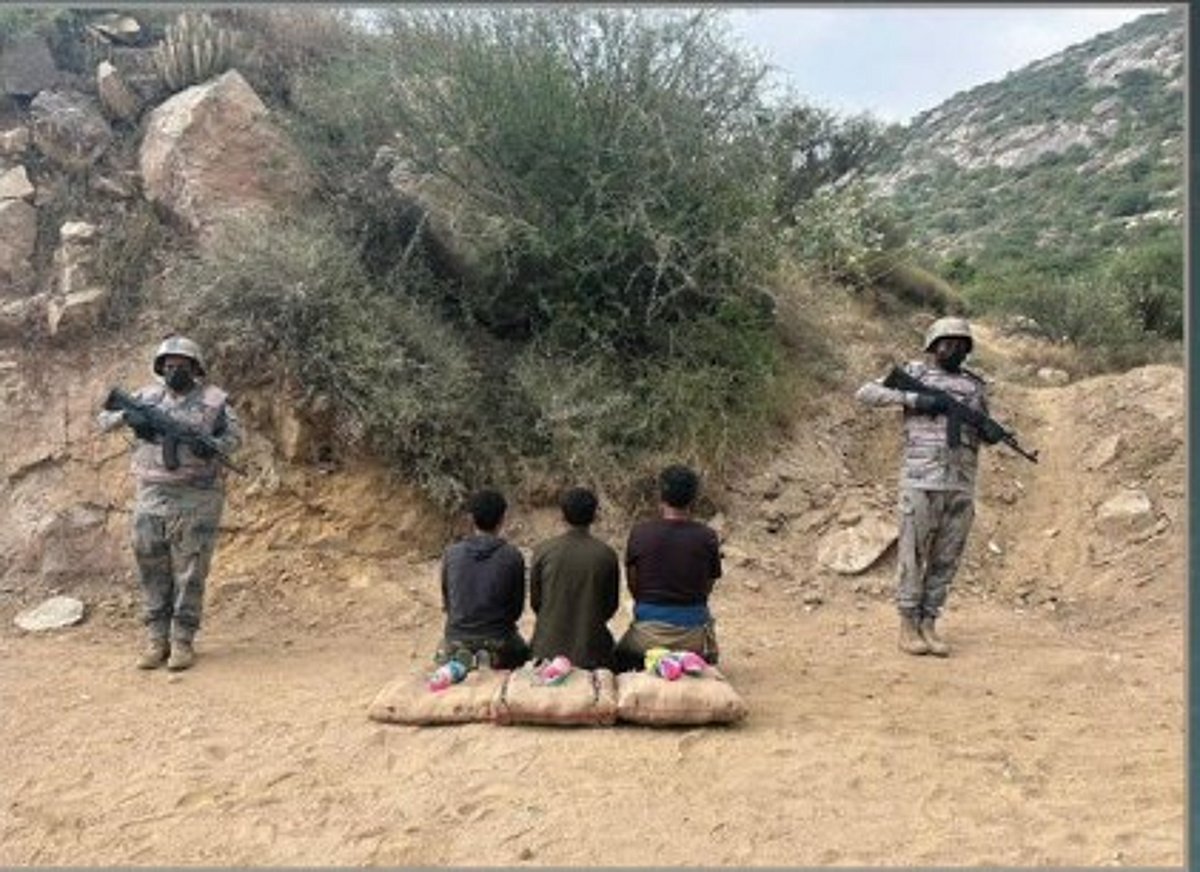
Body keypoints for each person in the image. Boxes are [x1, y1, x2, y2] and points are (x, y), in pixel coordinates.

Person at [856, 316, 1004, 657]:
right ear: (933, 345)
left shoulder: (973, 387)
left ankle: (929, 621)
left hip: (960, 483)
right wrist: (916, 400)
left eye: (961, 344)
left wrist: (990, 433)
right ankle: (908, 624)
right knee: (913, 555)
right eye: (947, 342)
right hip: (921, 479)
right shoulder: (916, 374)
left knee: (946, 557)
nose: (954, 349)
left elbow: (981, 428)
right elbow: (865, 393)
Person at [97, 334, 242, 671]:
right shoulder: (145, 397)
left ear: (196, 368)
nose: (175, 370)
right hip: (151, 495)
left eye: (183, 365)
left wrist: (213, 446)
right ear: (160, 368)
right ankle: (155, 639)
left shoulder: (215, 402)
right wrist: (128, 418)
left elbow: (236, 438)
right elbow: (103, 420)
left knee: (190, 572)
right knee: (151, 566)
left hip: (197, 496)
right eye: (169, 365)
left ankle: (182, 641)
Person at [613, 465, 722, 672]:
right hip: (694, 639)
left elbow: (634, 586)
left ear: (660, 496)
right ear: (693, 499)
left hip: (645, 637)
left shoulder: (640, 533)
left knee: (619, 657)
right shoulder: (707, 536)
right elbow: (707, 586)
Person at [436, 488, 530, 669]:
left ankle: (463, 658)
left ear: (471, 519)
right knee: (525, 654)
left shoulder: (452, 554)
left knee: (447, 651)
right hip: (500, 640)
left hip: (456, 639)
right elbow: (516, 611)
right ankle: (489, 657)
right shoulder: (512, 556)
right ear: (503, 519)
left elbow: (448, 604)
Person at [528, 487, 620, 670]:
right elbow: (610, 607)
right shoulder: (606, 555)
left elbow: (536, 603)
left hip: (545, 652)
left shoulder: (543, 551)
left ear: (562, 516)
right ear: (594, 516)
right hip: (592, 654)